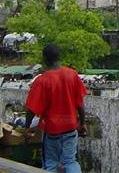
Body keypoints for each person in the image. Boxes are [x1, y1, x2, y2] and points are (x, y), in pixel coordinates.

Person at [25, 44, 87, 173]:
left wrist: (26, 127)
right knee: (70, 161)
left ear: (45, 59)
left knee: (51, 163)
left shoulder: (41, 81)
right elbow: (80, 104)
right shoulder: (72, 75)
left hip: (52, 130)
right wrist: (83, 123)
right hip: (70, 127)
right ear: (59, 57)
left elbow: (31, 109)